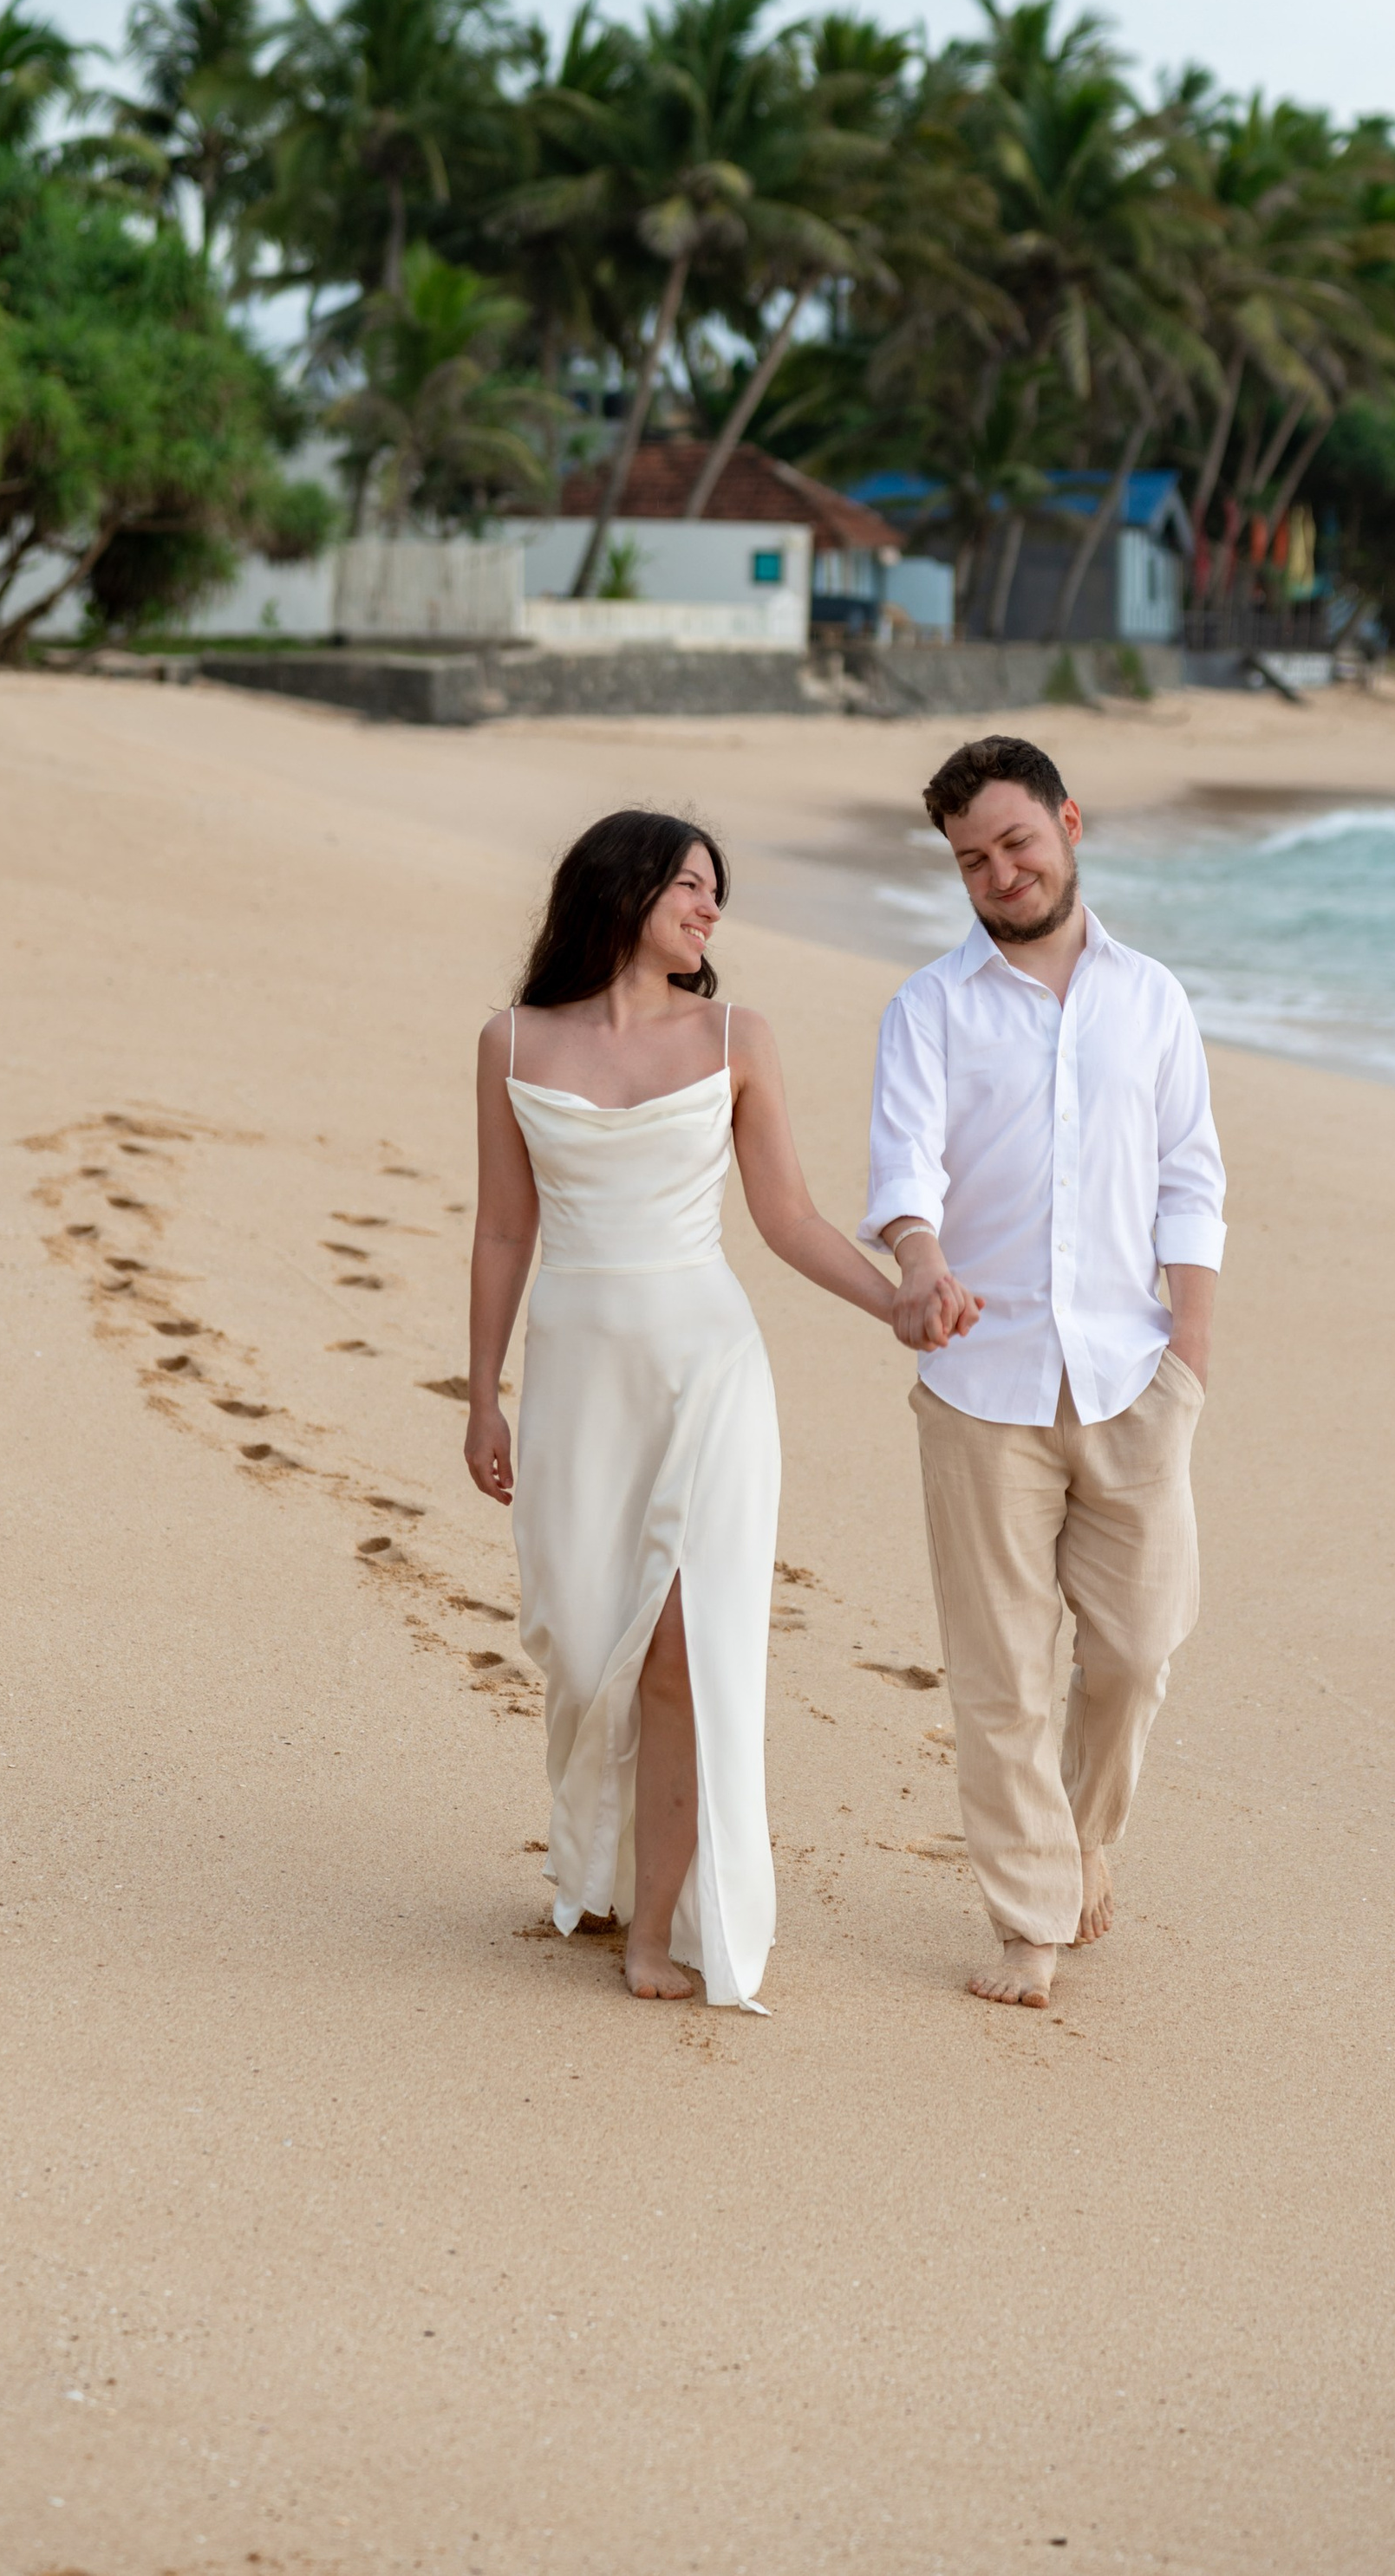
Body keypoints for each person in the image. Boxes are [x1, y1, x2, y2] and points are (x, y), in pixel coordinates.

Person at [465, 808, 898, 2009]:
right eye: (692, 886)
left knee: (681, 1653)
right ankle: (599, 1875)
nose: (712, 910)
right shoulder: (511, 1042)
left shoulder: (734, 1036)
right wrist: (481, 1397)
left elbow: (792, 1218)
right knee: (579, 1637)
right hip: (574, 1378)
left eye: (717, 893)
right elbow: (504, 1231)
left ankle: (658, 1928)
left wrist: (896, 1301)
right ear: (624, 888)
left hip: (707, 1370)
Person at [862, 735, 1226, 2009]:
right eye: (972, 858)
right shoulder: (931, 1008)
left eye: (1018, 842)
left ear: (1070, 823)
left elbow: (1194, 1180)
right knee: (1002, 1672)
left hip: (1135, 1375)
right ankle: (1032, 1921)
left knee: (1136, 1651)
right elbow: (904, 1172)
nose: (1000, 872)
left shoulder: (1155, 1000)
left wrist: (1192, 1359)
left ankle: (1085, 1842)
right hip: (980, 1384)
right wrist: (918, 1254)